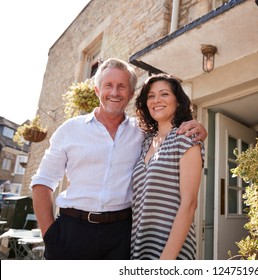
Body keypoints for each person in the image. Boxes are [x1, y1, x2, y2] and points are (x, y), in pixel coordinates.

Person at [30, 58, 207, 260]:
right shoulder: (70, 130)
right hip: (72, 231)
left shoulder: (141, 134)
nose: (114, 92)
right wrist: (50, 235)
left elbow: (174, 138)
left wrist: (199, 129)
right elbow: (42, 183)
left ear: (130, 94)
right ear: (97, 90)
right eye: (108, 85)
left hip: (121, 236)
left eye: (121, 86)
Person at [131, 73, 204, 260]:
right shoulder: (146, 143)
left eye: (164, 94)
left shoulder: (185, 138)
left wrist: (166, 261)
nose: (156, 100)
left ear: (178, 101)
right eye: (151, 96)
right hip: (139, 248)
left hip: (171, 252)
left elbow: (189, 204)